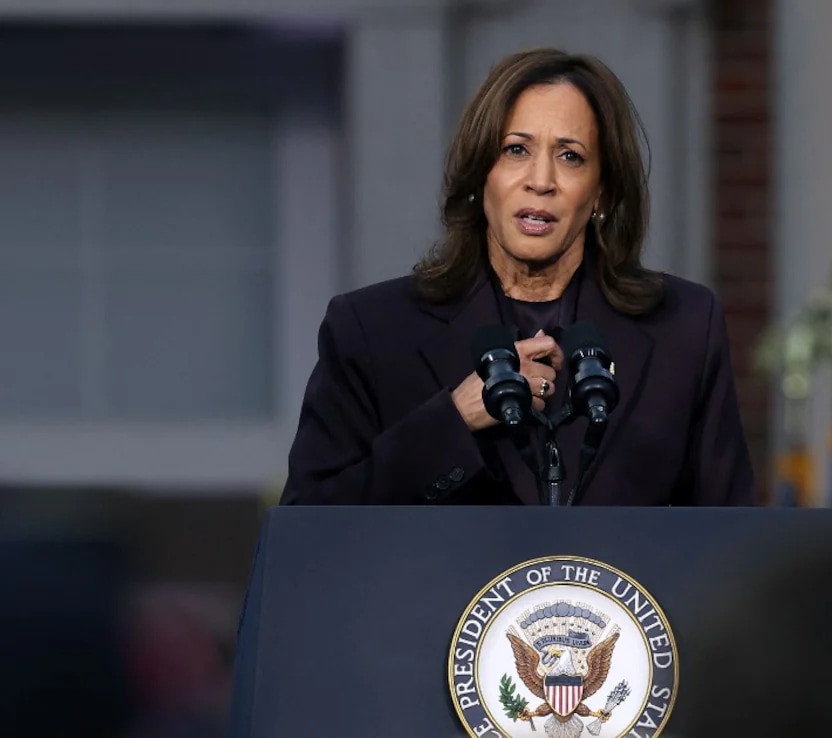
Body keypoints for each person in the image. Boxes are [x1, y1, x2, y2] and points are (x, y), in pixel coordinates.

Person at [280, 48, 755, 507]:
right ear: (479, 174)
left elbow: (730, 543)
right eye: (516, 150)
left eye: (570, 156)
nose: (541, 180)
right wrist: (453, 420)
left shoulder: (684, 329)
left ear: (602, 191)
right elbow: (309, 525)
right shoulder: (371, 331)